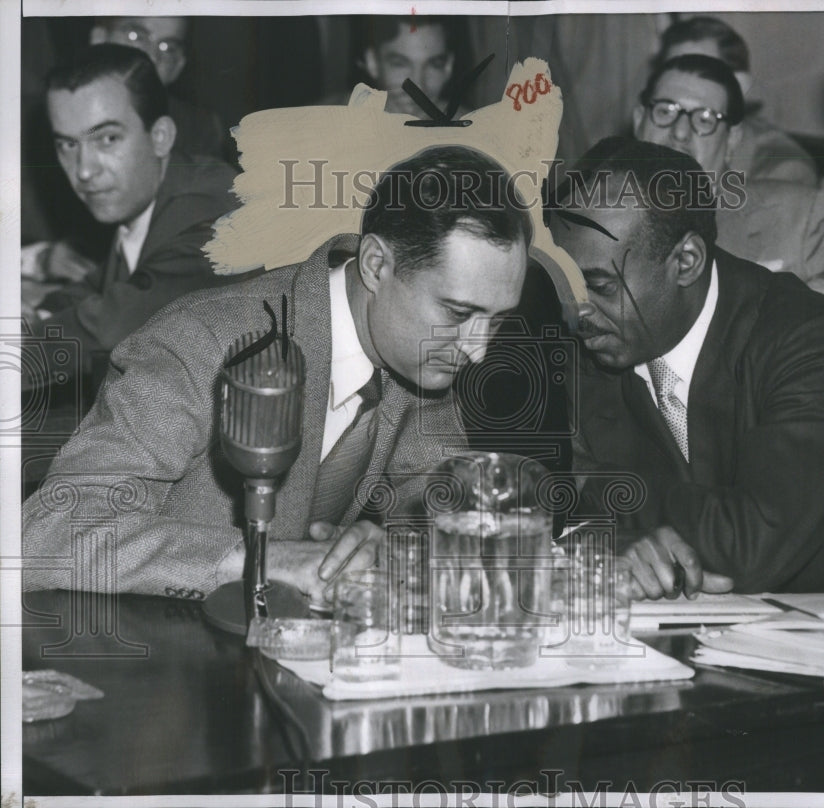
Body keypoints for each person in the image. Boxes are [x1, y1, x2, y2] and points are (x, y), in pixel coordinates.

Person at [22, 146, 531, 607]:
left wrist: (394, 552)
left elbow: (452, 517)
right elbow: (50, 531)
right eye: (458, 311)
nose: (479, 349)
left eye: (498, 319)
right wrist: (264, 562)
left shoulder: (423, 362)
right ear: (376, 265)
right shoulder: (203, 342)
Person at [555, 137, 824, 596]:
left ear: (686, 261)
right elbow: (539, 505)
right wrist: (613, 540)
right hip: (702, 639)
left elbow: (749, 548)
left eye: (600, 286)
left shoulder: (813, 339)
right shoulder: (588, 347)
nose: (575, 309)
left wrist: (593, 480)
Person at [634, 54, 824, 326]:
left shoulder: (791, 214)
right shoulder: (593, 217)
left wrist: (799, 302)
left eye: (705, 119)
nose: (680, 132)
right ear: (638, 121)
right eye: (665, 111)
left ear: (733, 140)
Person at [23, 44, 239, 389]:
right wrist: (44, 311)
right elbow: (107, 284)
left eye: (107, 139)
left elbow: (111, 326)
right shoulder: (149, 191)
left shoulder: (211, 213)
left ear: (160, 137)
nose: (84, 171)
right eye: (67, 145)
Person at [655, 16, 819, 187]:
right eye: (671, 74)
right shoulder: (649, 143)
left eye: (702, 75)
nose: (683, 90)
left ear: (740, 86)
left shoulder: (783, 170)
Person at [90, 16, 227, 159]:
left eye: (167, 48)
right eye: (136, 36)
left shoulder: (198, 131)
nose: (152, 57)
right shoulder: (68, 113)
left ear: (178, 66)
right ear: (99, 39)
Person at [324, 15, 464, 118]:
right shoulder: (328, 120)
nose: (419, 86)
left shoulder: (470, 131)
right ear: (372, 62)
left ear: (448, 66)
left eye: (434, 64)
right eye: (400, 64)